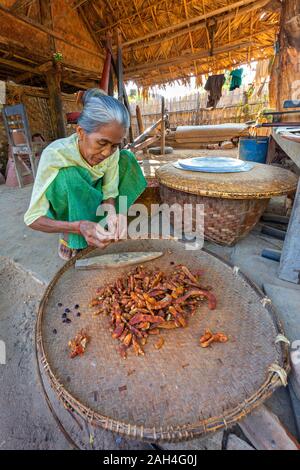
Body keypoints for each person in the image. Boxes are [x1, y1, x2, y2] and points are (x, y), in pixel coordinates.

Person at [24, 88, 147, 260]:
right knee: (70, 176)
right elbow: (32, 218)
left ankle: (102, 226)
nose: (106, 152)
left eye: (114, 145)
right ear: (81, 132)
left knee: (127, 159)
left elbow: (110, 190)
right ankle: (71, 236)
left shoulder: (112, 152)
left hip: (95, 193)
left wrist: (113, 215)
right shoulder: (55, 155)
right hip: (69, 201)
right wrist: (78, 226)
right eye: (102, 143)